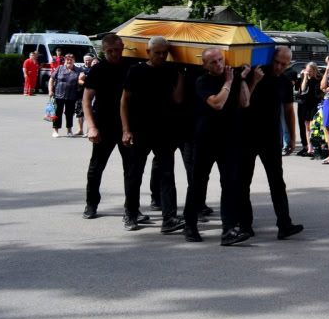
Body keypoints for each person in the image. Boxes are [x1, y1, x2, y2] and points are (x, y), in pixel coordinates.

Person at [183, 47, 250, 246]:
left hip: (229, 139)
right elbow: (217, 103)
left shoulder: (234, 77)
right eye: (213, 62)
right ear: (205, 65)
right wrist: (229, 82)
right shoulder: (202, 81)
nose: (219, 64)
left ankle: (228, 230)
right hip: (206, 138)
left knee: (230, 184)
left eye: (220, 60)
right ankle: (190, 225)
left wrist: (243, 79)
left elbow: (245, 102)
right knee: (198, 183)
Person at [120, 36, 186, 234]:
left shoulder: (171, 71)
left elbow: (177, 98)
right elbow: (124, 102)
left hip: (164, 132)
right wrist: (126, 129)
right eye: (157, 52)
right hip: (140, 130)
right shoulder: (136, 71)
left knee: (167, 175)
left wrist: (181, 76)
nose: (161, 56)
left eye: (164, 52)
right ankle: (130, 213)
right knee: (135, 174)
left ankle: (169, 218)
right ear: (148, 52)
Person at [241, 46, 304, 239]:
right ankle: (244, 224)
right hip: (247, 135)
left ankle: (284, 224)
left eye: (284, 64)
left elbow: (288, 110)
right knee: (243, 182)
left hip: (271, 138)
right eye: (277, 62)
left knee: (277, 182)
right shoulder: (255, 74)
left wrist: (292, 137)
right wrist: (252, 80)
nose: (279, 67)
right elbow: (242, 101)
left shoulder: (285, 81)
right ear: (271, 59)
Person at [80, 34, 134, 223]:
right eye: (109, 51)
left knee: (131, 169)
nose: (113, 54)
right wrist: (91, 127)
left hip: (127, 126)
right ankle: (91, 204)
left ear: (123, 48)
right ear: (103, 50)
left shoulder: (130, 67)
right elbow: (86, 100)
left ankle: (130, 209)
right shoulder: (98, 70)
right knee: (96, 168)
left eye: (117, 50)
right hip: (103, 125)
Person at [49, 54, 83, 137]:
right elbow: (51, 80)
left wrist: (83, 77)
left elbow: (80, 79)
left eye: (71, 59)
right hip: (58, 94)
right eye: (67, 59)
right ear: (65, 60)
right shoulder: (60, 68)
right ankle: (55, 130)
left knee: (69, 113)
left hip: (71, 95)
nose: (69, 61)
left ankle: (69, 130)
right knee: (57, 112)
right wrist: (50, 90)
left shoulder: (78, 70)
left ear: (74, 60)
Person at [296, 62, 321, 156]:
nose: (308, 72)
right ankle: (309, 148)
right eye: (307, 71)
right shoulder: (305, 78)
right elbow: (302, 89)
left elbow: (320, 92)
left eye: (310, 71)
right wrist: (305, 77)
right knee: (307, 126)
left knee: (312, 126)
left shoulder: (319, 79)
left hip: (315, 103)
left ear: (314, 70)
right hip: (306, 104)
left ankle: (315, 147)